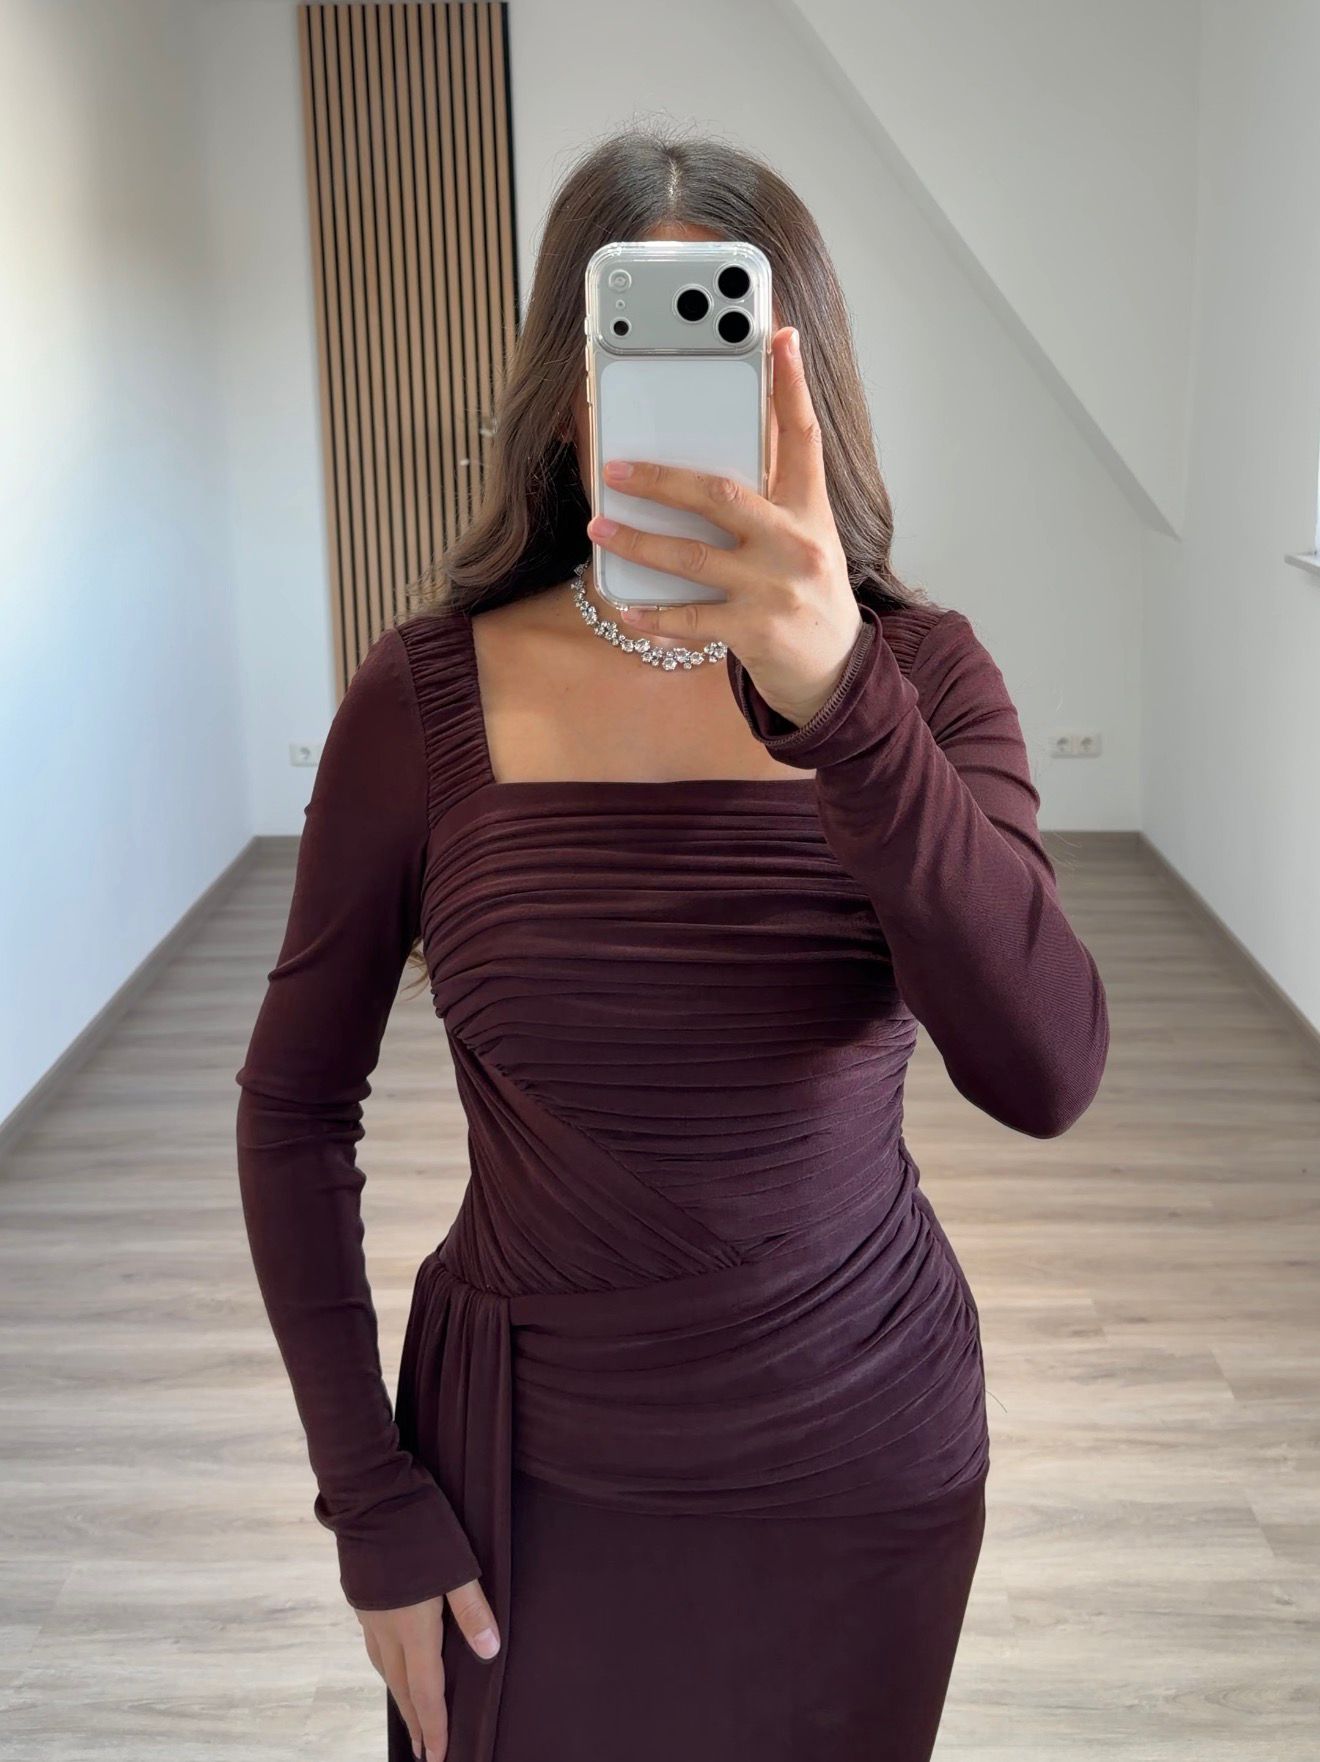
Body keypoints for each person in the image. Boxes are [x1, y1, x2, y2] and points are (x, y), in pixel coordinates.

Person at [234, 129, 1109, 1762]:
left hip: (866, 1455)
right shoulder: (423, 697)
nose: (670, 403)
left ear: (804, 391)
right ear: (567, 397)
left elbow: (1046, 1068)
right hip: (524, 1480)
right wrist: (367, 1495)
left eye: (729, 352)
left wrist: (843, 701)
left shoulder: (923, 682)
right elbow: (293, 1109)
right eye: (633, 351)